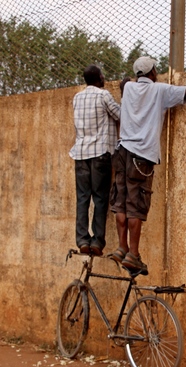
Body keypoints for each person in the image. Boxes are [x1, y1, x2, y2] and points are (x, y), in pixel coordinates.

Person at [109, 48, 186, 274]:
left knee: (120, 201)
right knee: (135, 206)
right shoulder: (160, 91)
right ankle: (134, 254)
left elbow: (123, 83)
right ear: (152, 72)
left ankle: (121, 247)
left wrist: (126, 81)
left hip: (121, 153)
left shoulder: (128, 88)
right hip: (142, 156)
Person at [70, 64, 121, 256]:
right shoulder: (103, 95)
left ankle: (82, 240)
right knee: (100, 198)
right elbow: (120, 115)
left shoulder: (77, 97)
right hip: (100, 153)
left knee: (83, 198)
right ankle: (97, 242)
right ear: (100, 77)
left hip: (80, 154)